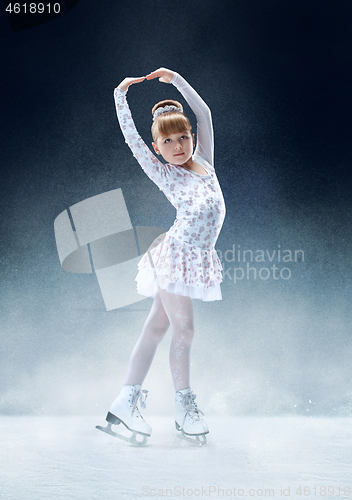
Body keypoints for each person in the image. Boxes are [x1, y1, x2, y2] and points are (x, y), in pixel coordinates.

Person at [98, 68, 226, 445]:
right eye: (168, 141)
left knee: (156, 328)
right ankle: (184, 409)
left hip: (196, 259)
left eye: (183, 137)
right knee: (183, 330)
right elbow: (132, 139)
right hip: (175, 257)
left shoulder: (205, 159)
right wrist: (120, 96)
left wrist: (177, 80)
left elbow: (203, 113)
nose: (178, 146)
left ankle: (125, 402)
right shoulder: (163, 173)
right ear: (159, 148)